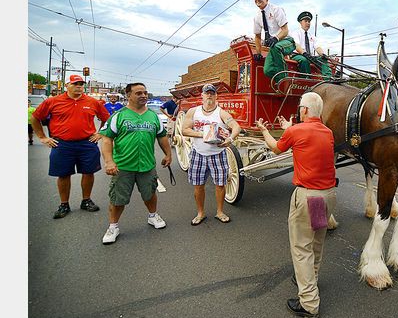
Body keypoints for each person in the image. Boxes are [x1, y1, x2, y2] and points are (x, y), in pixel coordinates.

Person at [255, 92, 336, 318]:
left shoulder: (296, 131)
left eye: (300, 107)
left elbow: (275, 148)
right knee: (316, 243)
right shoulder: (327, 132)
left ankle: (309, 304)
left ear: (303, 110)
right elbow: (305, 142)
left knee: (301, 248)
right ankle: (312, 280)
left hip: (308, 197)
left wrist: (264, 130)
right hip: (326, 196)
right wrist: (291, 127)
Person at [99, 83, 172, 244]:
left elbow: (162, 137)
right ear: (128, 95)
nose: (143, 95)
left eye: (145, 92)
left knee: (150, 193)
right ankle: (113, 226)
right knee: (117, 198)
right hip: (123, 166)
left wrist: (168, 154)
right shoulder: (119, 116)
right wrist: (109, 161)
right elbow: (107, 138)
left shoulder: (153, 116)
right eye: (138, 93)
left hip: (146, 165)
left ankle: (153, 216)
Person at [31, 74, 111, 219]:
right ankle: (64, 204)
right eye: (75, 84)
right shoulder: (53, 101)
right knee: (63, 174)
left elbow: (107, 119)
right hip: (62, 144)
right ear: (67, 85)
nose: (79, 86)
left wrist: (100, 133)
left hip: (87, 143)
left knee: (88, 172)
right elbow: (35, 118)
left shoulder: (92, 102)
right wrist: (43, 137)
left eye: (81, 84)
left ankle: (86, 200)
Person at [181, 83, 241, 225]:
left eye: (212, 93)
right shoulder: (193, 112)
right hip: (198, 153)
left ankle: (220, 212)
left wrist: (230, 139)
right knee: (198, 185)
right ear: (201, 95)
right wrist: (204, 134)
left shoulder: (221, 113)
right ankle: (200, 213)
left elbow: (236, 126)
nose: (209, 95)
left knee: (220, 185)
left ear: (215, 96)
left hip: (218, 154)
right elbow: (184, 130)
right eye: (206, 93)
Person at [251, 0, 296, 82]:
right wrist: (258, 53)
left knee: (276, 47)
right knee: (267, 70)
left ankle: (285, 80)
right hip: (274, 47)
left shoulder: (276, 10)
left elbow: (285, 30)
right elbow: (257, 37)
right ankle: (280, 84)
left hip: (287, 41)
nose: (257, 0)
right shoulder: (257, 17)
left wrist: (275, 38)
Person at [291, 11, 332, 79]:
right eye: (306, 21)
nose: (308, 23)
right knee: (304, 60)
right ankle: (306, 79)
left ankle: (328, 78)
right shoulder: (296, 33)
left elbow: (317, 47)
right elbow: (296, 45)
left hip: (309, 57)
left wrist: (323, 54)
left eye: (309, 21)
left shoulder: (312, 36)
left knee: (323, 60)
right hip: (298, 55)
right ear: (300, 22)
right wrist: (304, 53)